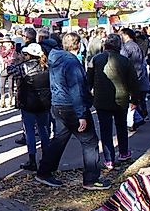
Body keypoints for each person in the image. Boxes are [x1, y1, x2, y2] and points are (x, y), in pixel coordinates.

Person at [35, 33, 110, 191]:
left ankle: (44, 171)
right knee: (89, 142)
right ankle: (91, 179)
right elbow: (76, 90)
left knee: (59, 139)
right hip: (70, 106)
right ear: (78, 45)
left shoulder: (56, 57)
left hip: (58, 104)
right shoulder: (71, 62)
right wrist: (81, 114)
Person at [86, 34, 138, 169]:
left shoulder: (95, 59)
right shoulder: (124, 60)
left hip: (102, 99)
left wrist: (88, 96)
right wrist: (135, 99)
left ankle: (109, 159)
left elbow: (88, 80)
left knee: (105, 129)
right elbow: (133, 82)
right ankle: (123, 152)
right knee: (121, 127)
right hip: (121, 99)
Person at [10, 43, 51, 172]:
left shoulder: (23, 68)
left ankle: (32, 160)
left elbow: (8, 72)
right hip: (44, 103)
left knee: (30, 132)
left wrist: (17, 60)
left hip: (28, 103)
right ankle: (46, 158)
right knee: (44, 131)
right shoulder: (46, 66)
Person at [120, 28, 150, 120]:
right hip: (136, 75)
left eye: (121, 35)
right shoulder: (133, 46)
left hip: (133, 76)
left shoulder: (129, 46)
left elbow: (124, 61)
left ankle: (137, 118)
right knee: (137, 99)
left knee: (134, 99)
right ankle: (139, 116)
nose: (120, 37)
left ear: (126, 35)